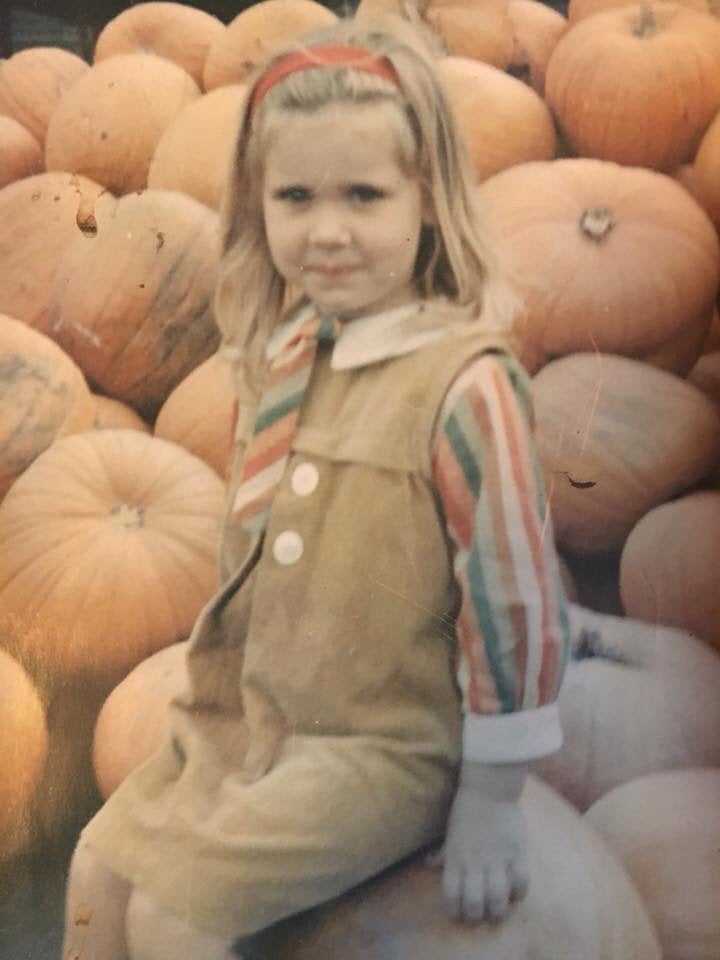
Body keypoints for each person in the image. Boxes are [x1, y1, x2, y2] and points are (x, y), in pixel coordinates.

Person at [62, 16, 569, 960]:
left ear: (428, 202)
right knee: (95, 872)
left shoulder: (466, 382)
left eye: (365, 196)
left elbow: (516, 595)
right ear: (257, 206)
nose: (327, 231)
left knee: (175, 916)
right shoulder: (285, 355)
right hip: (249, 717)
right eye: (295, 196)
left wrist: (494, 799)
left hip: (382, 747)